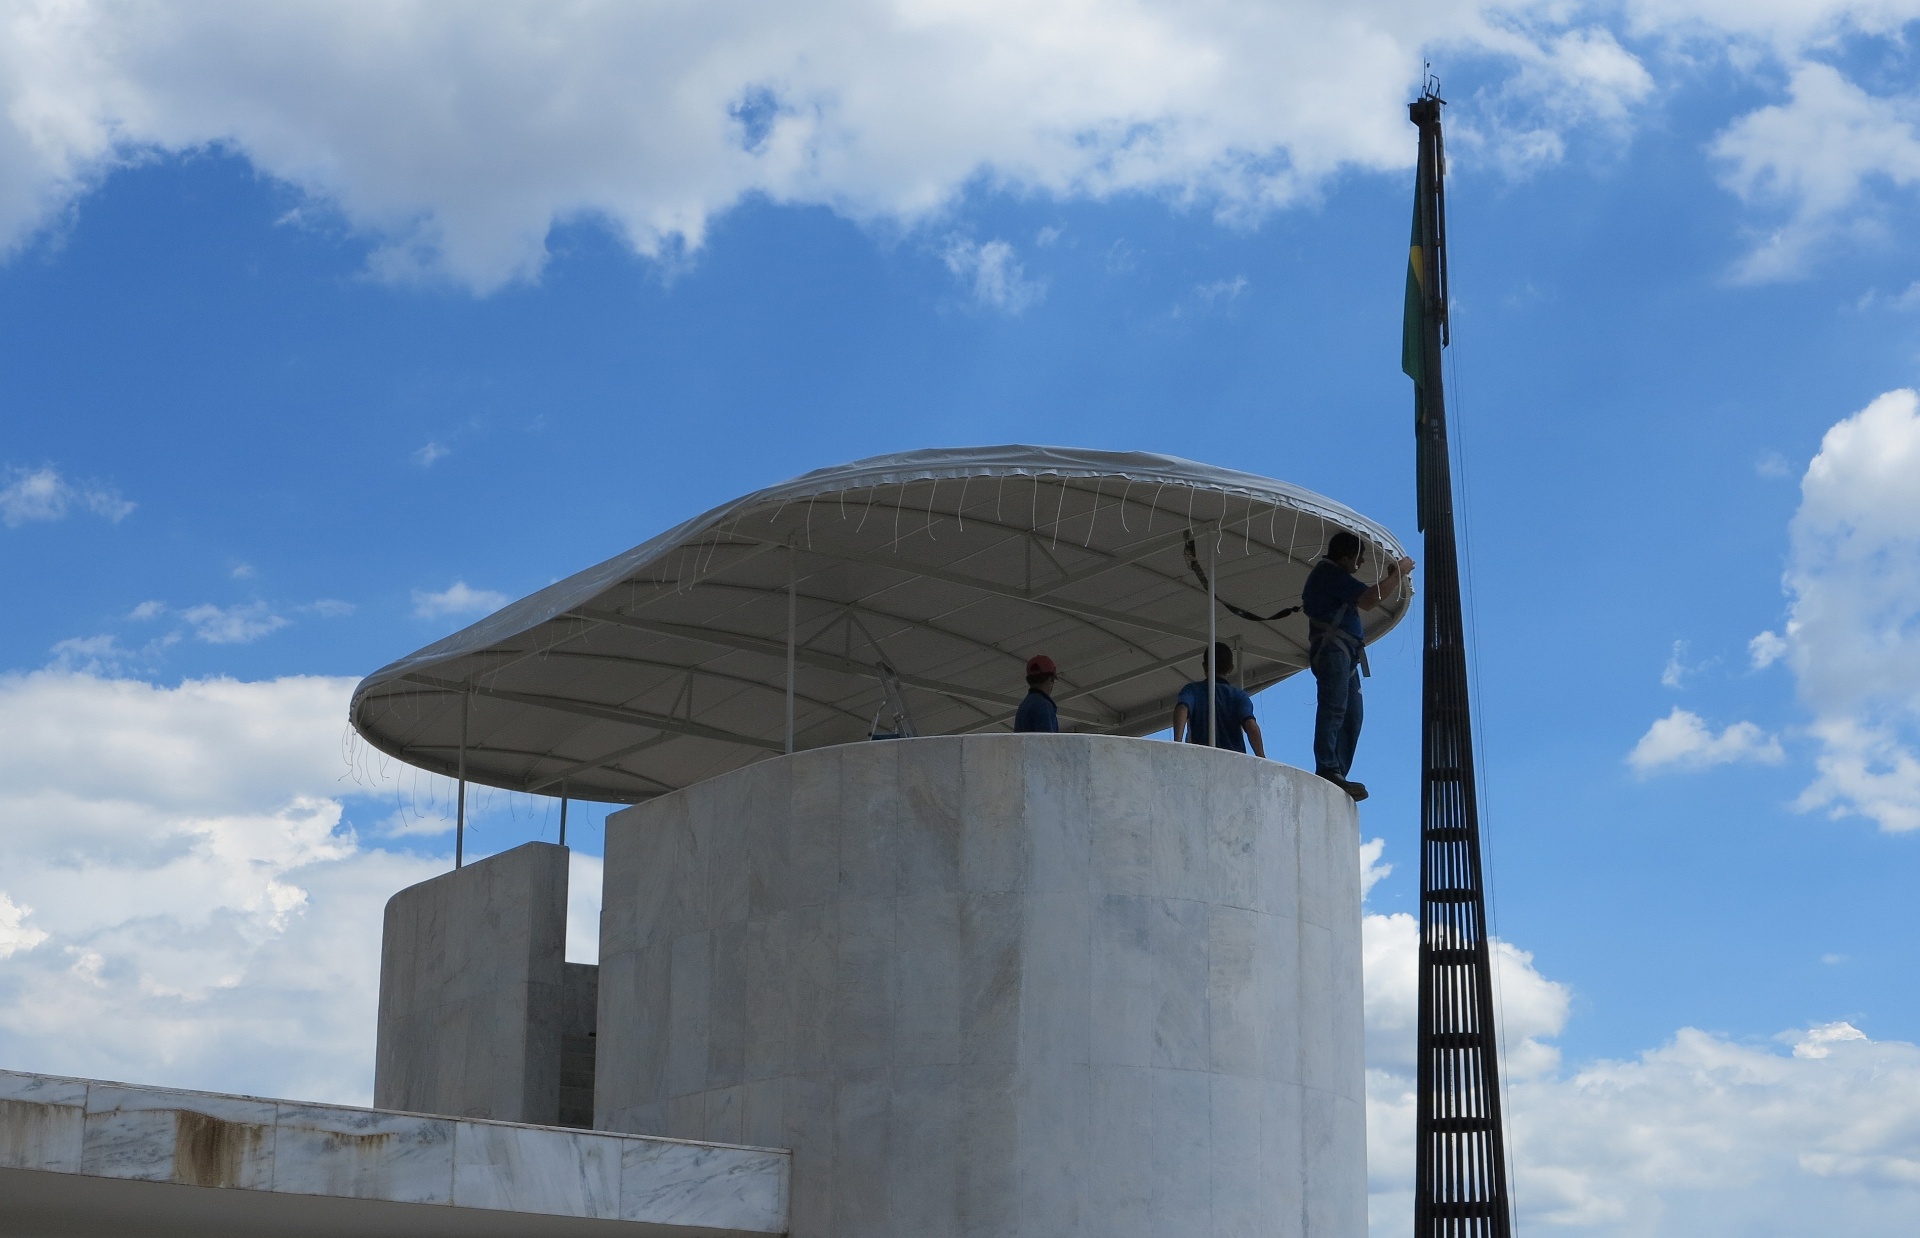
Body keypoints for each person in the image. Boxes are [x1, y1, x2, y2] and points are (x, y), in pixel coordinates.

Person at [1302, 530, 1414, 801]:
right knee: (1334, 708)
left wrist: (1392, 577)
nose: (1360, 562)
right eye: (1358, 557)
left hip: (1345, 653)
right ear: (1345, 557)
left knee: (1352, 714)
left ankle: (1337, 771)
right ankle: (1329, 768)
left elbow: (1368, 596)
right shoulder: (1329, 573)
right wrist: (1398, 573)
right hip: (1334, 650)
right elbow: (1369, 599)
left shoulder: (1334, 576)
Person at [1172, 642, 1264, 756]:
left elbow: (1182, 708)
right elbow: (1251, 726)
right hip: (1233, 759)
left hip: (1200, 756)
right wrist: (1261, 757)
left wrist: (1177, 743)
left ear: (1205, 666)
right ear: (1230, 668)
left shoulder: (1192, 690)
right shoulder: (1239, 696)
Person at [1013, 654, 1061, 733]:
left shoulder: (1023, 706)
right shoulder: (1044, 705)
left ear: (1028, 679)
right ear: (1051, 679)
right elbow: (1047, 739)